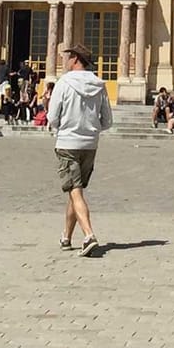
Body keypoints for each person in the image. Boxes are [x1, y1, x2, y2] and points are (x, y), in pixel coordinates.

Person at [50, 44, 112, 256]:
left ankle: (88, 235)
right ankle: (66, 237)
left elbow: (52, 118)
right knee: (75, 191)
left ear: (75, 59)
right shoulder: (100, 84)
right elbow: (108, 121)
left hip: (68, 143)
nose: (66, 61)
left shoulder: (64, 83)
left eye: (69, 57)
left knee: (75, 191)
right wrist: (91, 129)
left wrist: (64, 128)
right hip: (90, 144)